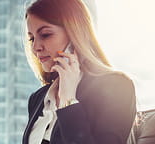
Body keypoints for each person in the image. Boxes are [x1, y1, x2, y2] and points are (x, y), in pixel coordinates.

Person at [22, 0, 137, 144]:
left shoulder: (117, 86)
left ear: (75, 34)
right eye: (31, 38)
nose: (35, 47)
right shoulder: (38, 98)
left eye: (45, 34)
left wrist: (68, 100)